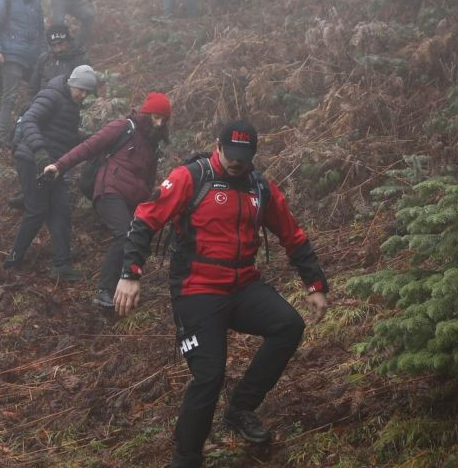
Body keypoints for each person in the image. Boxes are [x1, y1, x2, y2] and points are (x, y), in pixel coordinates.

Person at [114, 120, 329, 467]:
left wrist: (315, 284)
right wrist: (130, 274)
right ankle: (186, 458)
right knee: (210, 374)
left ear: (253, 154)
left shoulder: (259, 188)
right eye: (231, 154)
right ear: (218, 146)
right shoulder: (191, 177)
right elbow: (145, 219)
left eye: (244, 156)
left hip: (243, 286)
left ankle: (240, 408)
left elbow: (293, 235)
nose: (236, 162)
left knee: (289, 325)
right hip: (196, 290)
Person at [42, 91, 171, 309]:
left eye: (163, 120)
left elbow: (147, 180)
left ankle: (123, 287)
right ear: (146, 113)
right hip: (109, 190)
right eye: (156, 117)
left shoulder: (153, 143)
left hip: (133, 199)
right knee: (125, 234)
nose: (159, 123)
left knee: (135, 238)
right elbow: (88, 147)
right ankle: (105, 291)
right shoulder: (124, 127)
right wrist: (59, 166)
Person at [3, 65, 98, 279]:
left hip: (53, 165)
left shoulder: (71, 103)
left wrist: (91, 139)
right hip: (32, 159)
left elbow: (62, 132)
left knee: (62, 210)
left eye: (87, 92)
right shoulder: (52, 95)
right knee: (37, 210)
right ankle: (13, 261)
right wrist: (40, 152)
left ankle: (62, 266)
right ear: (72, 83)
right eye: (81, 90)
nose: (83, 95)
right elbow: (29, 120)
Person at [0, 0, 47, 144]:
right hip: (12, 55)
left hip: (33, 57)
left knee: (39, 94)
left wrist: (44, 55)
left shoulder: (36, 2)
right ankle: (3, 139)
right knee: (9, 98)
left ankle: (29, 132)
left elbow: (41, 31)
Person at [30, 23, 89, 93]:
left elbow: (87, 88)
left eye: (61, 44)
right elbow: (33, 89)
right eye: (54, 45)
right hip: (45, 98)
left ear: (68, 41)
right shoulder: (44, 59)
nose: (58, 49)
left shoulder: (80, 59)